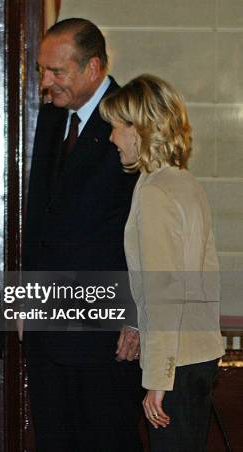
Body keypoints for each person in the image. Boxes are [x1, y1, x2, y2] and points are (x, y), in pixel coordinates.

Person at [22, 18, 143, 450]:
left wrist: (139, 316)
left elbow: (147, 228)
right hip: (47, 324)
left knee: (106, 437)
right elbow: (40, 217)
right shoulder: (53, 117)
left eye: (56, 71)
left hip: (105, 332)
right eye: (40, 70)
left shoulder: (131, 118)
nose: (45, 82)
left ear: (93, 68)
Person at [100, 74, 225, 452]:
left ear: (141, 128)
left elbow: (165, 292)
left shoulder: (155, 190)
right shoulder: (183, 181)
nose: (112, 138)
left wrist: (158, 380)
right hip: (198, 355)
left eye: (118, 127)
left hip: (177, 365)